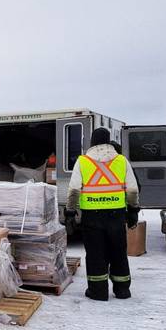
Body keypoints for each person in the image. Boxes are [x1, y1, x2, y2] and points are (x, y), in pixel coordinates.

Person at [65, 127, 140, 301]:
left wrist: (70, 211)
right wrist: (133, 210)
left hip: (92, 216)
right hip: (116, 214)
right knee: (118, 251)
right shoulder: (121, 160)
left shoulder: (83, 161)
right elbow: (133, 189)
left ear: (92, 142)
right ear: (108, 141)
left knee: (95, 252)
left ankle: (98, 291)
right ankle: (122, 290)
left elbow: (74, 189)